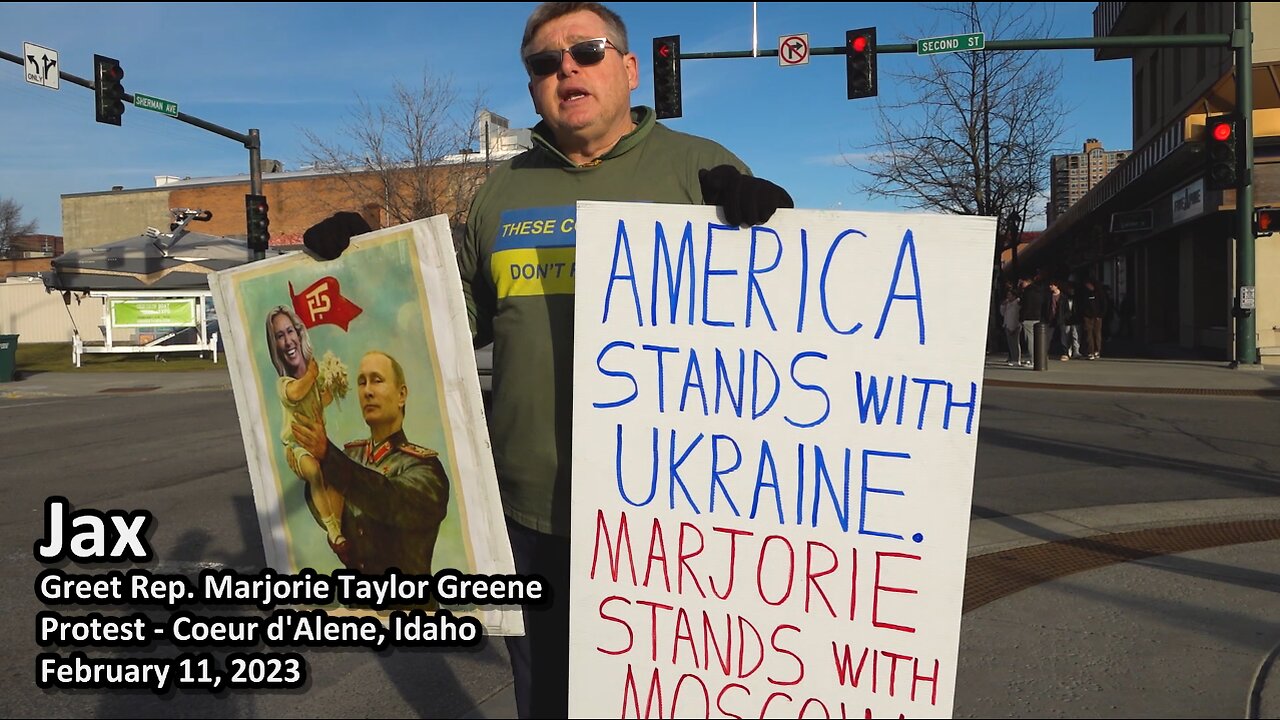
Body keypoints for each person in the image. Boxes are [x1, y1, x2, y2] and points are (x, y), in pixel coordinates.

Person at [302, 3, 792, 717]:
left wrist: (774, 233)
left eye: (587, 51)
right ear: (533, 87)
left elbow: (792, 330)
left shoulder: (700, 171)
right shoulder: (501, 193)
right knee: (548, 699)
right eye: (543, 61)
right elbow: (444, 322)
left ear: (628, 68)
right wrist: (366, 265)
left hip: (670, 519)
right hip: (528, 518)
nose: (566, 67)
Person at [291, 350, 450, 577]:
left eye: (377, 380)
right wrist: (311, 464)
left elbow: (390, 502)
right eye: (361, 382)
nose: (367, 391)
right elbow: (322, 510)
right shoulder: (350, 456)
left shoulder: (426, 468)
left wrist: (328, 456)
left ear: (401, 395)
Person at [267, 306, 346, 553]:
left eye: (290, 331)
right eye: (279, 336)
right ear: (275, 346)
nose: (287, 339)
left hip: (318, 443)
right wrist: (313, 373)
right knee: (313, 471)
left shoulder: (312, 380)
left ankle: (340, 532)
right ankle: (332, 528)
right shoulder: (286, 383)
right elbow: (297, 392)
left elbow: (320, 401)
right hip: (296, 448)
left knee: (337, 475)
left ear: (299, 334)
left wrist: (334, 384)